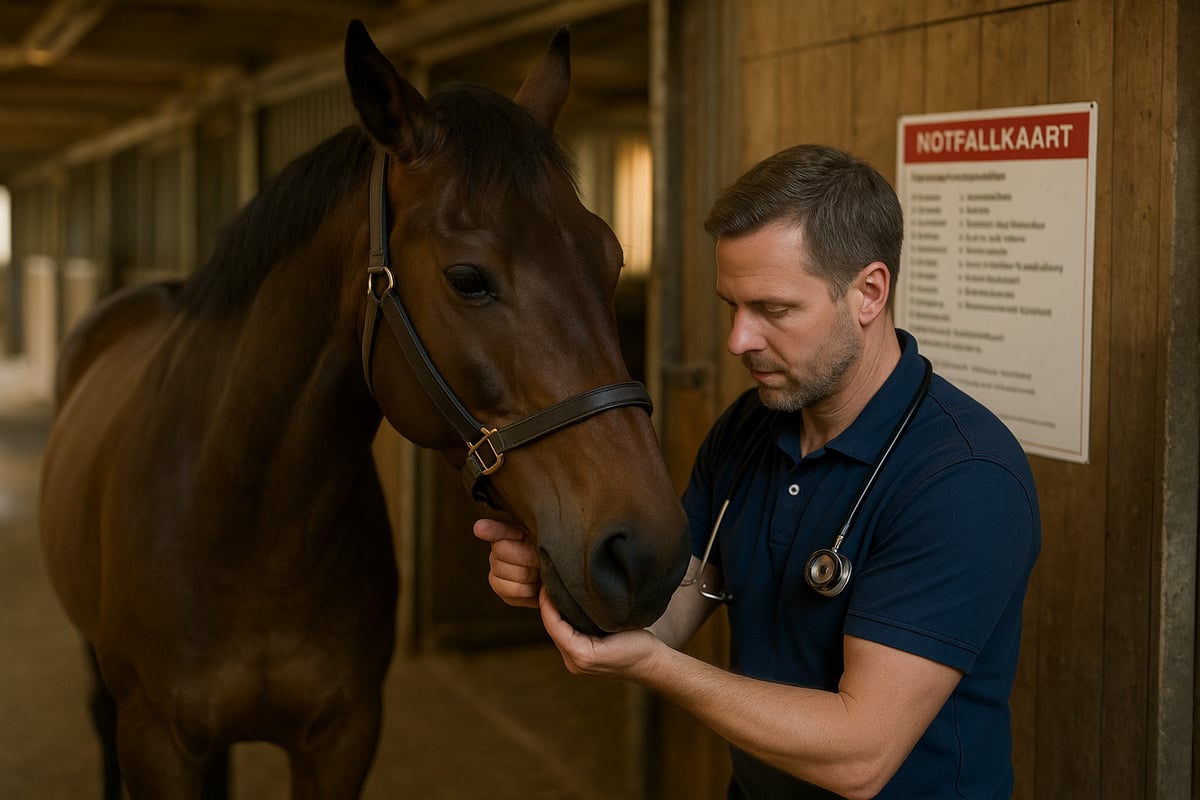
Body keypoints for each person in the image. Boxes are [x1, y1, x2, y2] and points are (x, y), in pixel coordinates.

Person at [474, 143, 1040, 799]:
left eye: (773, 310)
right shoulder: (749, 427)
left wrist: (660, 670)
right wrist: (562, 571)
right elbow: (667, 612)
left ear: (869, 292)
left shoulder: (964, 479)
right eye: (731, 307)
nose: (738, 341)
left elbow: (860, 756)